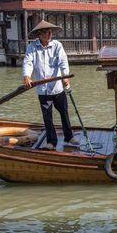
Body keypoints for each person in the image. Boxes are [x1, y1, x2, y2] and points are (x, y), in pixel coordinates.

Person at [22, 20, 79, 150]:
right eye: (47, 32)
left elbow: (63, 62)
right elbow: (28, 62)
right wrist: (27, 76)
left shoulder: (57, 45)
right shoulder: (32, 48)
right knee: (47, 117)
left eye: (50, 32)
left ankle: (69, 136)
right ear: (40, 34)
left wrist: (65, 76)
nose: (49, 35)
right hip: (43, 90)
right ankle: (51, 142)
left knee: (64, 112)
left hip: (57, 88)